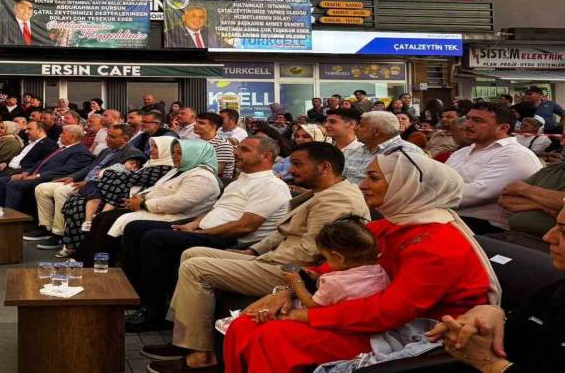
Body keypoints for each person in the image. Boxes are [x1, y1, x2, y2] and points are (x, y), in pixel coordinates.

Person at [216, 151, 497, 373]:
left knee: (273, 335)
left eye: (373, 178)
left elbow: (389, 312)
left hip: (416, 331)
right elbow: (330, 267)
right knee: (246, 324)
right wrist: (285, 292)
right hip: (366, 313)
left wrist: (306, 315)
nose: (363, 184)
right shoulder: (389, 225)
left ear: (407, 186)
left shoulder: (438, 243)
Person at [141, 142, 370, 371]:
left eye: (298, 164)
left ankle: (201, 356)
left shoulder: (337, 199)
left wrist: (262, 259)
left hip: (293, 271)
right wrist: (252, 252)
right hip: (278, 259)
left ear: (324, 167)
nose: (290, 170)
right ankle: (187, 339)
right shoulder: (321, 192)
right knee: (192, 253)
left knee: (196, 268)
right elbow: (282, 233)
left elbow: (310, 253)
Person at [123, 137, 291, 331]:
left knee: (155, 239)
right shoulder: (241, 180)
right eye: (238, 148)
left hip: (232, 240)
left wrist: (204, 231)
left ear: (266, 156)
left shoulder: (271, 185)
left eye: (244, 150)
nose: (236, 153)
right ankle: (135, 296)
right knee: (136, 228)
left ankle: (154, 311)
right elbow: (217, 209)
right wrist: (193, 225)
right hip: (208, 231)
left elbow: (245, 226)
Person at [428, 204, 565, 372]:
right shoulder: (554, 290)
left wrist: (491, 365)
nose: (548, 237)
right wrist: (491, 318)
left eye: (563, 232)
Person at [27, 124, 143, 251]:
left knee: (61, 191)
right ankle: (46, 227)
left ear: (125, 139)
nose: (107, 139)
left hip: (99, 187)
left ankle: (59, 234)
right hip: (83, 181)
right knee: (41, 188)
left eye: (112, 137)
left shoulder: (132, 154)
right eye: (108, 135)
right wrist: (72, 177)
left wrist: (88, 182)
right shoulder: (106, 150)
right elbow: (90, 167)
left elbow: (119, 177)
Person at [63, 137, 177, 258]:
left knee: (81, 205)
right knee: (75, 200)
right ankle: (73, 246)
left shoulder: (165, 167)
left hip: (128, 199)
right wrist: (112, 175)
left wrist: (108, 173)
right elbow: (126, 177)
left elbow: (131, 178)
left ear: (166, 149)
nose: (152, 149)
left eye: (156, 147)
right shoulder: (150, 163)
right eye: (152, 146)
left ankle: (84, 251)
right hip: (116, 193)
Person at [447, 102, 543, 232]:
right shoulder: (462, 152)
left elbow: (478, 194)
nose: (467, 124)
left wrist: (426, 197)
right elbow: (437, 180)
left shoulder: (515, 154)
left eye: (477, 120)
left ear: (503, 128)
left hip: (487, 227)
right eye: (468, 118)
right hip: (451, 217)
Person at [105, 139, 221, 240]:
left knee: (124, 224)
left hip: (179, 217)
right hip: (156, 209)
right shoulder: (179, 170)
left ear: (195, 155)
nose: (174, 156)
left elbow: (179, 202)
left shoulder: (203, 177)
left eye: (180, 153)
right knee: (106, 217)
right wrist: (139, 198)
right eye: (173, 152)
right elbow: (157, 188)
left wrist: (143, 204)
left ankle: (107, 256)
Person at [281, 216, 390, 309]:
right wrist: (317, 278)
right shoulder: (379, 271)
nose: (326, 262)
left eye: (326, 258)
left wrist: (297, 283)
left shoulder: (334, 282)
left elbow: (311, 304)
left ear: (339, 257)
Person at [0, 125, 93, 211]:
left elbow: (66, 170)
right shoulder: (63, 148)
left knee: (14, 184)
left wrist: (37, 176)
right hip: (35, 174)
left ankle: (12, 217)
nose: (60, 135)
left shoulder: (80, 151)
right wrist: (26, 173)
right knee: (0, 181)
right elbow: (41, 162)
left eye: (63, 133)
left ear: (73, 136)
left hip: (48, 178)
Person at [343, 111, 422, 185]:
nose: (355, 128)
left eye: (361, 125)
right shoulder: (354, 151)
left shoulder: (406, 153)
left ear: (376, 132)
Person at [498, 161, 565, 239]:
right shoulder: (551, 169)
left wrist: (524, 189)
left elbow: (517, 188)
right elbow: (504, 199)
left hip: (549, 241)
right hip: (513, 234)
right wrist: (542, 206)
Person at [194, 113, 236, 183]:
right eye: (196, 122)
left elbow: (215, 171)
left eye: (201, 123)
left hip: (214, 182)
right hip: (194, 178)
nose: (195, 125)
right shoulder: (194, 140)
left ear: (213, 127)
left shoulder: (223, 145)